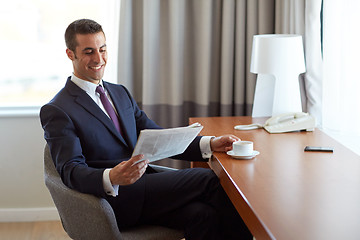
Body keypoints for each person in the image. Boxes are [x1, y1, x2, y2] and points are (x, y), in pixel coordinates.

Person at [40, 19, 252, 240]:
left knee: (202, 215)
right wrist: (111, 176)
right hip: (113, 202)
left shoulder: (119, 92)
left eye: (102, 49)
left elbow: (159, 138)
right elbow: (70, 170)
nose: (98, 58)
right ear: (70, 54)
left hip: (146, 190)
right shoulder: (58, 109)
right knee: (207, 180)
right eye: (88, 52)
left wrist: (209, 143)